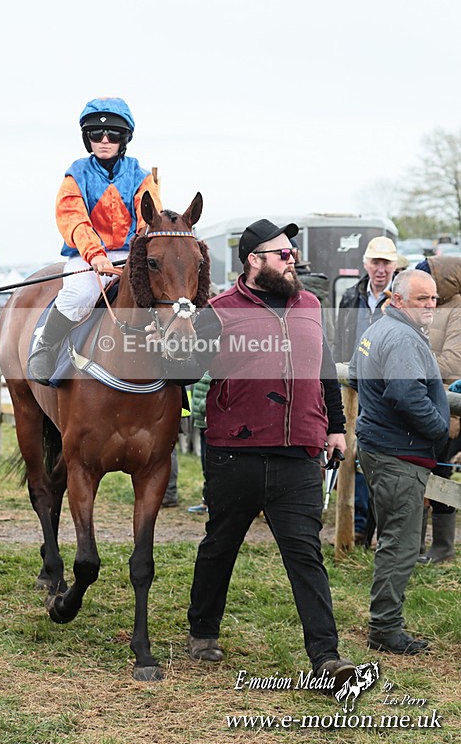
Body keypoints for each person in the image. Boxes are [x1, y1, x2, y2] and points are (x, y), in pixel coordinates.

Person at [186, 219, 356, 693]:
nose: (293, 258)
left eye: (292, 251)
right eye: (282, 253)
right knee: (220, 545)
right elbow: (183, 369)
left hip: (299, 452)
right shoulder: (217, 311)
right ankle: (202, 630)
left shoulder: (310, 306)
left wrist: (337, 428)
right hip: (233, 451)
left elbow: (324, 370)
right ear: (254, 260)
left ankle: (326, 656)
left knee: (305, 555)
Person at [349, 269, 450, 655]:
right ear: (398, 299)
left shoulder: (378, 328)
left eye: (434, 298)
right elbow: (407, 397)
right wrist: (440, 430)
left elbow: (358, 380)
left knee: (395, 538)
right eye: (422, 299)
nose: (430, 305)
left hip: (382, 448)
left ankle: (386, 622)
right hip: (398, 454)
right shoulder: (403, 338)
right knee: (401, 543)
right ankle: (385, 630)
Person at [28, 96, 162, 385]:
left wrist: (139, 251)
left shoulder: (141, 177)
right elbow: (74, 220)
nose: (104, 140)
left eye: (113, 135)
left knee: (164, 297)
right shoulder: (75, 176)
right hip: (87, 257)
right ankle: (45, 346)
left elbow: (149, 220)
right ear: (86, 138)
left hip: (131, 254)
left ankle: (175, 361)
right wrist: (96, 255)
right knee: (79, 296)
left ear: (124, 139)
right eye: (95, 134)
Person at [333, 236, 398, 545]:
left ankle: (382, 527)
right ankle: (358, 528)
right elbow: (341, 341)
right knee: (354, 454)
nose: (380, 269)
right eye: (375, 262)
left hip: (390, 387)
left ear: (395, 265)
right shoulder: (350, 296)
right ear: (366, 264)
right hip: (356, 387)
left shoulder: (402, 297)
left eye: (386, 262)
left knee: (383, 458)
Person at [415, 256, 461, 563]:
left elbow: (455, 361)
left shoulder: (456, 309)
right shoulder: (430, 308)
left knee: (441, 471)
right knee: (419, 469)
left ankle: (442, 548)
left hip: (450, 408)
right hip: (427, 402)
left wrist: (414, 359)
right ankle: (414, 546)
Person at [187, 371, 212, 513]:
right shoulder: (203, 363)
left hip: (211, 421)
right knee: (206, 465)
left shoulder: (219, 363)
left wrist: (204, 406)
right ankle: (207, 501)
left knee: (211, 465)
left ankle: (212, 502)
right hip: (203, 423)